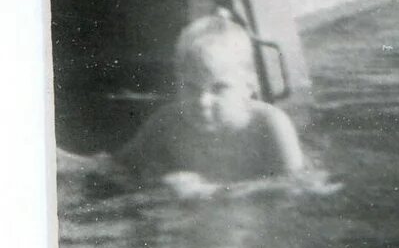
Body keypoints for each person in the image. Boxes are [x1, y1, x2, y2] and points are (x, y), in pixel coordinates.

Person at [113, 12, 311, 197]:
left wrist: (212, 191)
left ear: (249, 85)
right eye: (191, 87)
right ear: (178, 82)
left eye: (219, 88)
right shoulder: (167, 122)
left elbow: (297, 184)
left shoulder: (269, 125)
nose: (202, 101)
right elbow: (119, 166)